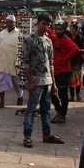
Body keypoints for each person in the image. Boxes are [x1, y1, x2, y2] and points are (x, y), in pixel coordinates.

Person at [21, 13, 63, 148]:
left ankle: (47, 134)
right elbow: (25, 63)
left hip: (48, 81)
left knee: (46, 109)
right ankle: (27, 136)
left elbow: (51, 63)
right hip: (35, 80)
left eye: (48, 24)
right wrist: (30, 81)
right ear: (38, 23)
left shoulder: (48, 41)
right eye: (44, 24)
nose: (46, 27)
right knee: (31, 109)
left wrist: (54, 83)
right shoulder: (29, 40)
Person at [48, 21, 79, 124]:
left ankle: (62, 114)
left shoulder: (66, 40)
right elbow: (50, 33)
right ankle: (59, 111)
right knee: (52, 92)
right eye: (57, 29)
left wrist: (65, 59)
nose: (58, 31)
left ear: (64, 30)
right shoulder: (55, 37)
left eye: (60, 29)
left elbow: (75, 49)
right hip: (55, 70)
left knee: (62, 94)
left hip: (64, 71)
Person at [0, 14, 22, 108]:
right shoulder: (2, 33)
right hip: (2, 62)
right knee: (0, 82)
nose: (9, 24)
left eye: (11, 22)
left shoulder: (19, 34)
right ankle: (2, 101)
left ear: (14, 23)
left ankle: (20, 97)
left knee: (17, 83)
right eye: (8, 22)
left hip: (14, 62)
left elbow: (21, 48)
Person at [68, 23, 84, 102]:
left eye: (73, 29)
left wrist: (78, 51)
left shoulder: (82, 38)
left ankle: (78, 94)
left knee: (78, 78)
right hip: (70, 60)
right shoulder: (68, 38)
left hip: (79, 61)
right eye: (71, 29)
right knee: (70, 78)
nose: (72, 31)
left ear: (76, 30)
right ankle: (72, 96)